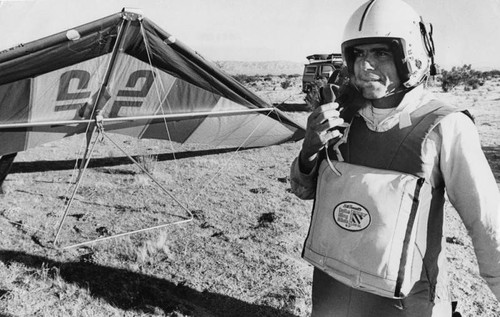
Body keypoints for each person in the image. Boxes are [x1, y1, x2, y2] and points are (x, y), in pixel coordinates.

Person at [290, 0, 500, 316]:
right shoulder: (342, 117)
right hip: (333, 293)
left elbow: (486, 224)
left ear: (411, 56)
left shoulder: (445, 125)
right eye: (358, 54)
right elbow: (303, 190)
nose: (365, 65)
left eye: (381, 53)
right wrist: (308, 150)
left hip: (405, 302)